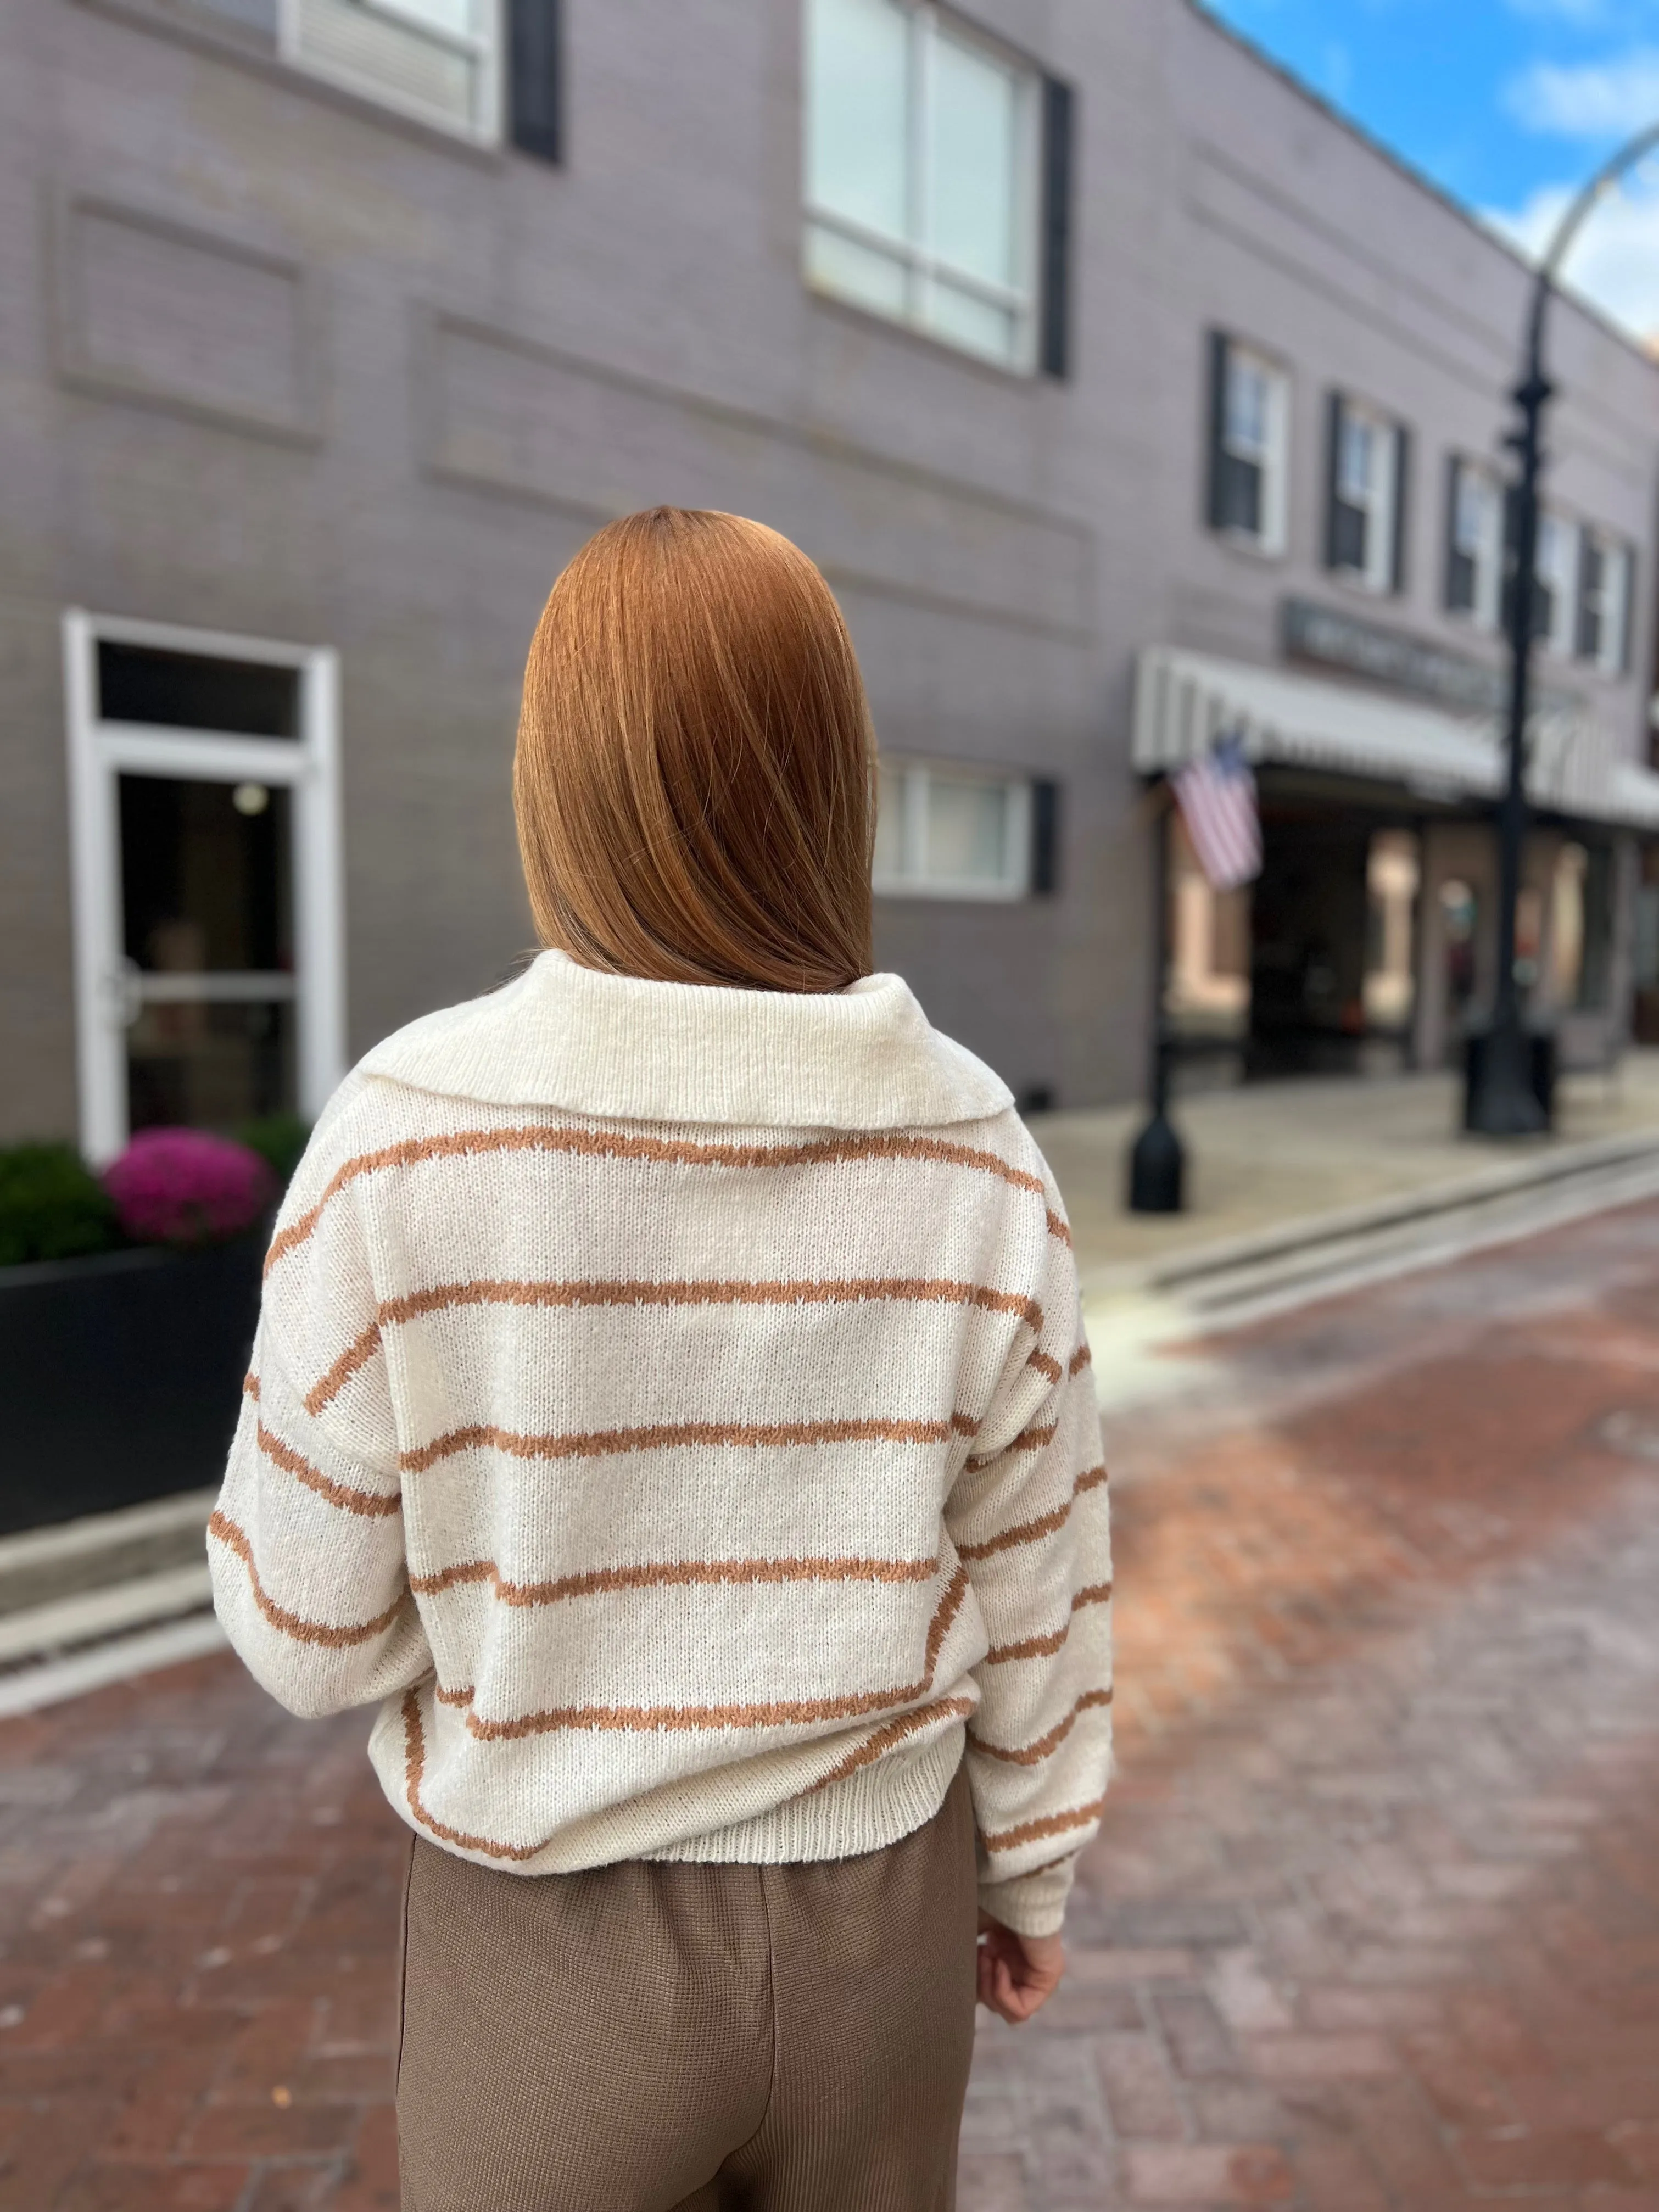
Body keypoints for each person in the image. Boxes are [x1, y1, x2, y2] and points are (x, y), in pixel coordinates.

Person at [209, 507, 1114, 2212]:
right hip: (882, 1928)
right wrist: (1039, 1867)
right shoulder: (974, 1142)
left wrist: (509, 1583)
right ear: (832, 784)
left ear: (558, 779)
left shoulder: (410, 1132)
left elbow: (305, 1631)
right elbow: (1040, 1571)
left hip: (547, 1932)